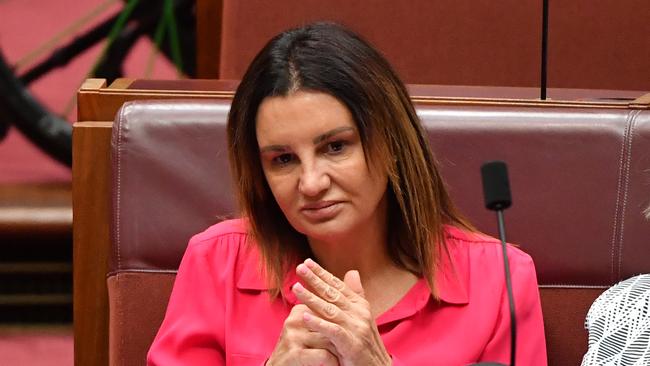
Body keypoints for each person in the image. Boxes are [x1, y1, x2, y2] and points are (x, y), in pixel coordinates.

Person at [147, 22, 547, 365]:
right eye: (283, 159)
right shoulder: (216, 262)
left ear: (391, 142)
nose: (311, 183)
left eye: (335, 147)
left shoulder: (498, 281)